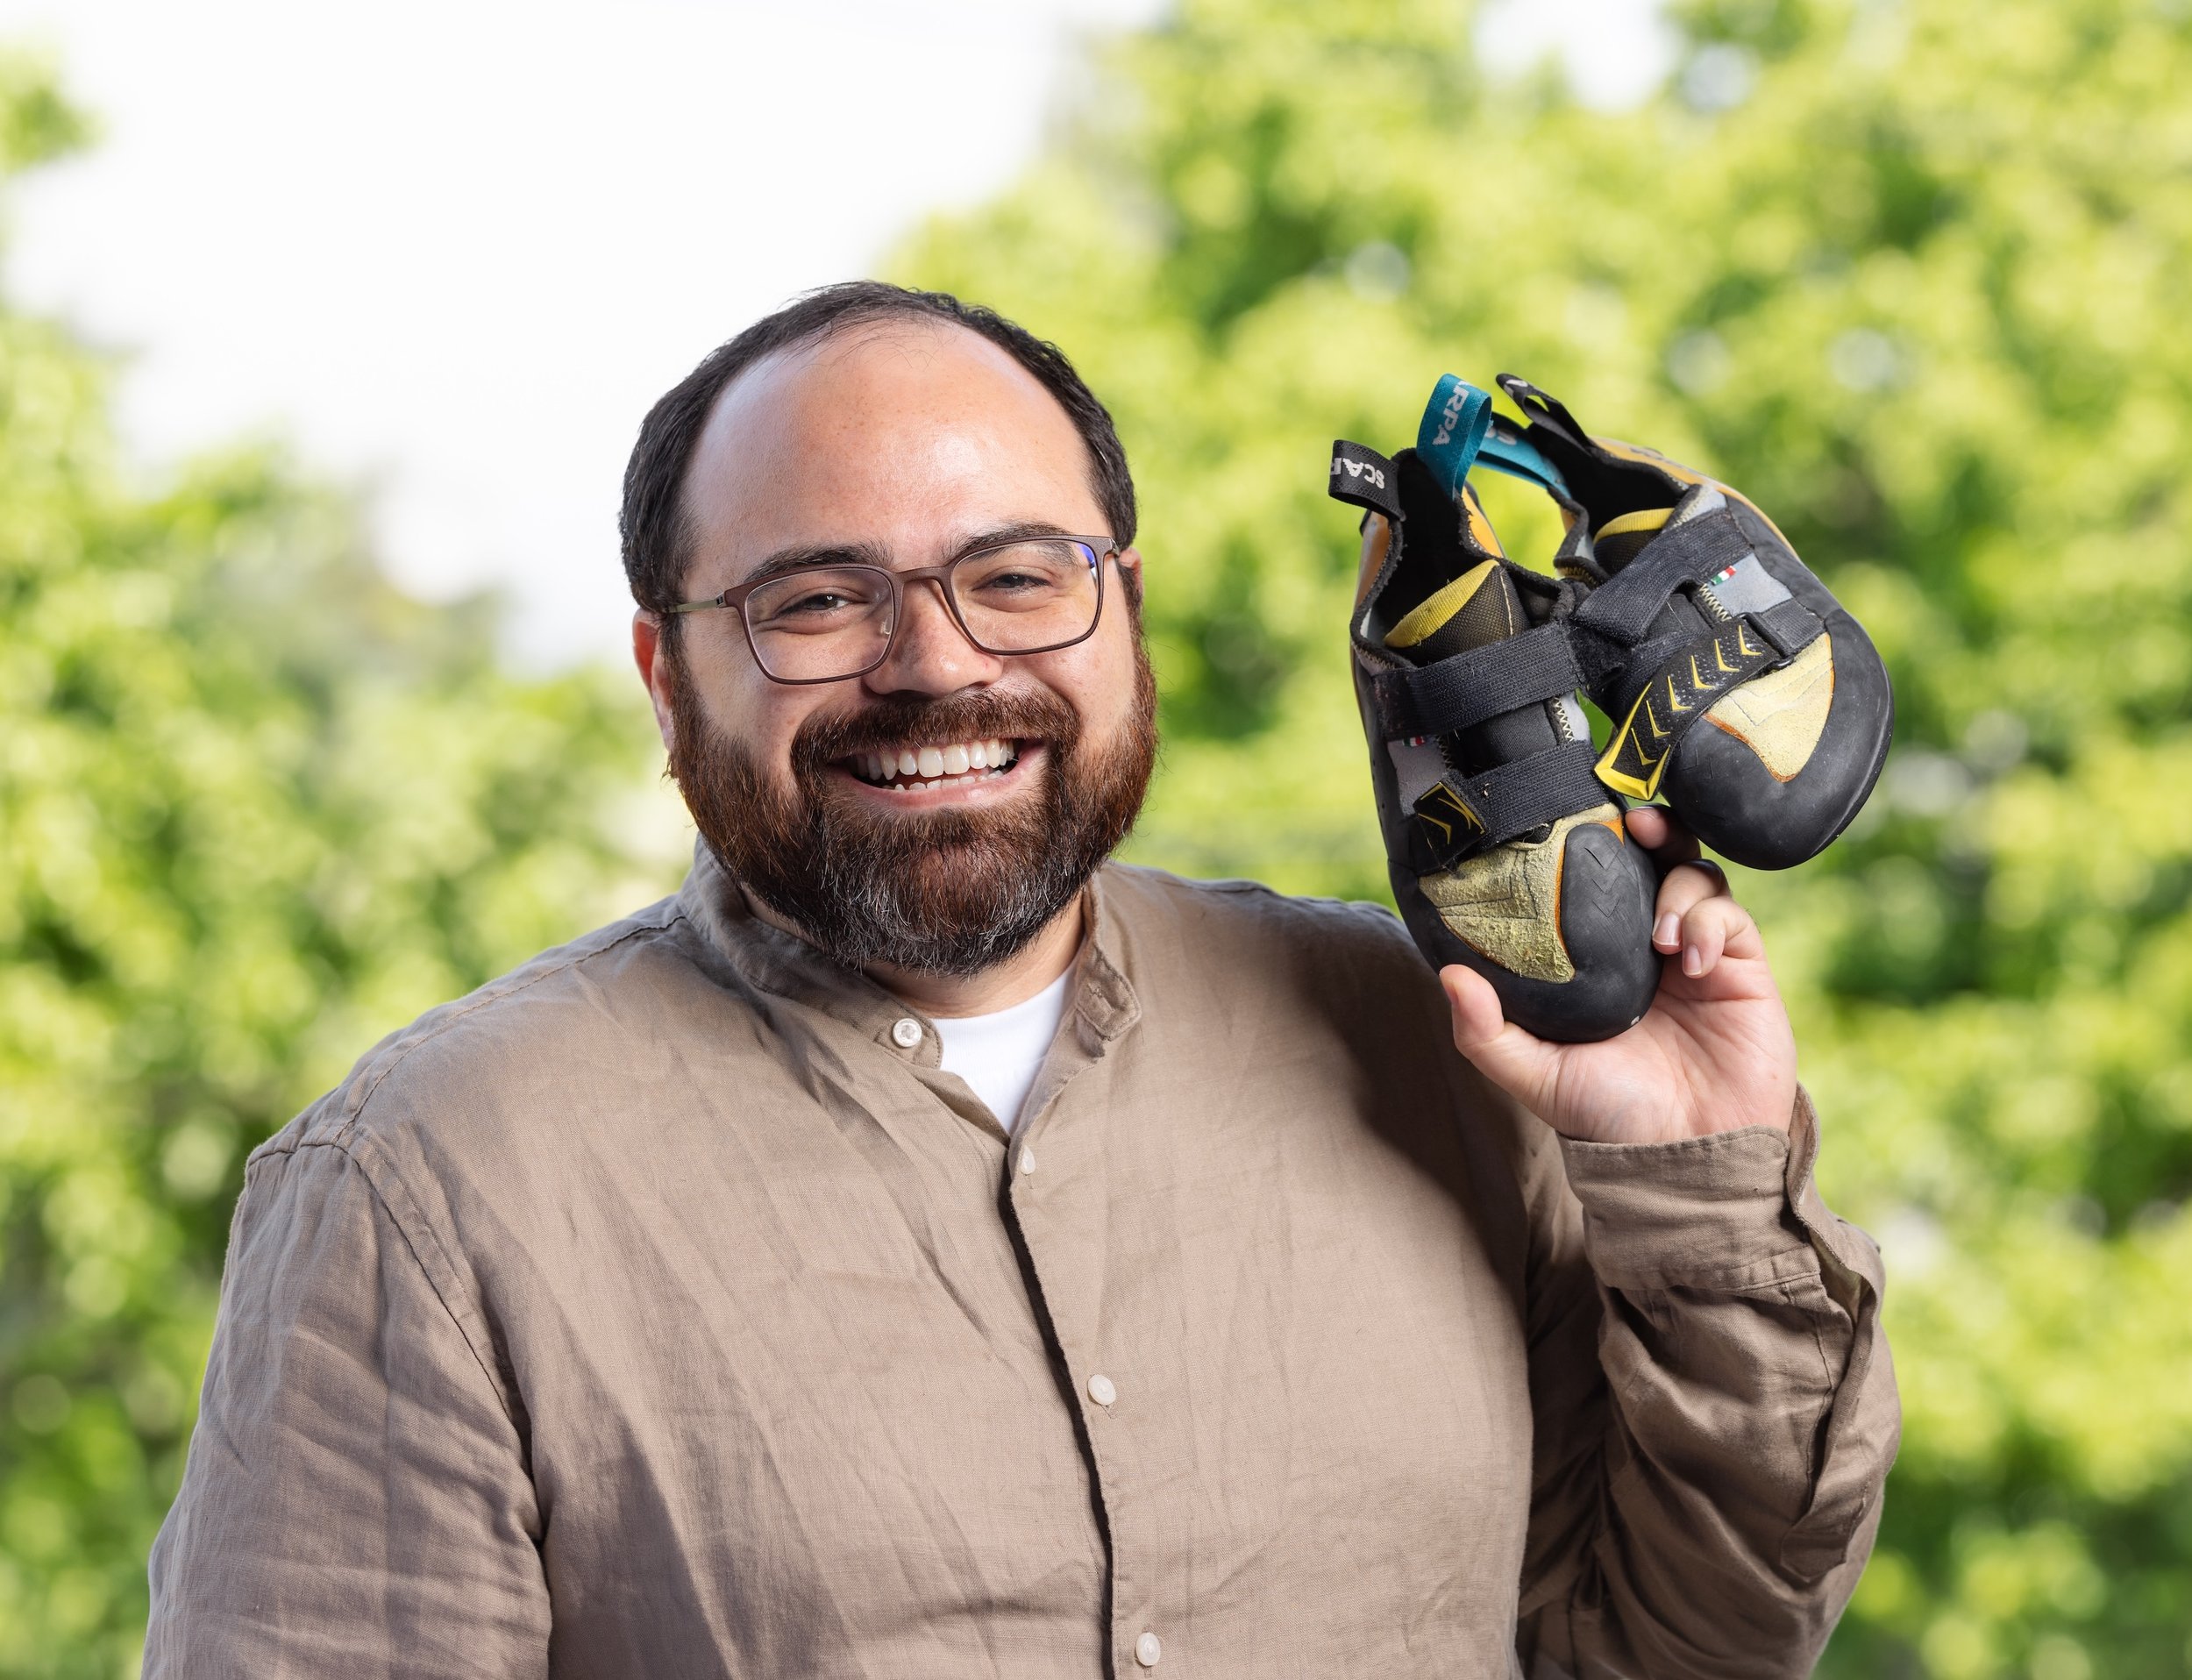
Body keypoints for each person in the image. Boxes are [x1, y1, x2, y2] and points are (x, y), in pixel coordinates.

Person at [145, 281, 1897, 1678]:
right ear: (663, 680)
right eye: (815, 599)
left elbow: (1689, 1648)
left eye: (1015, 577)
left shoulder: (1439, 1043)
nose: (935, 664)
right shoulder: (431, 1178)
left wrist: (1689, 1168)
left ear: (1122, 613)